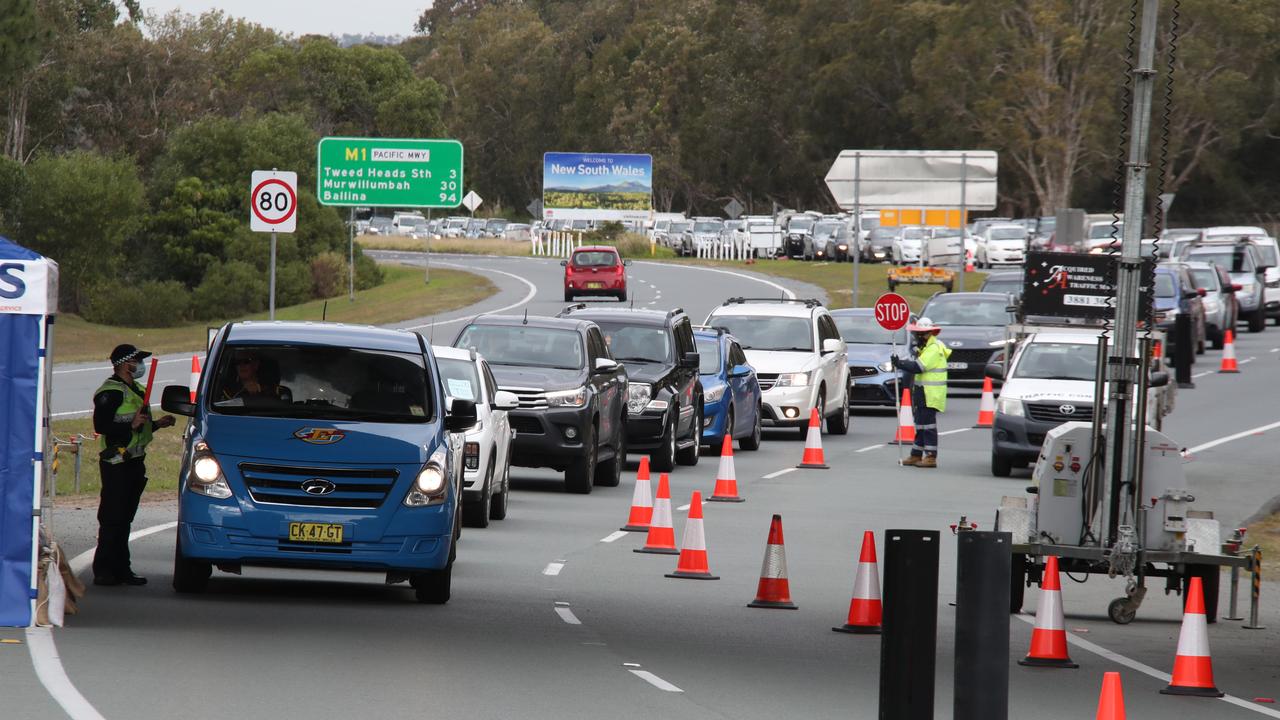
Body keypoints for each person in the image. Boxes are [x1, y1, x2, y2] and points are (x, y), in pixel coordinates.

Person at [92, 345, 176, 585]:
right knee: (112, 518)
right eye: (137, 360)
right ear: (124, 363)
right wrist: (130, 425)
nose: (141, 364)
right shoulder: (110, 392)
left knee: (126, 518)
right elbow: (102, 426)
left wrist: (157, 423)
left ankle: (122, 568)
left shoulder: (136, 390)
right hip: (116, 463)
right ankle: (104, 570)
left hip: (135, 462)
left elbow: (140, 426)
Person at [891, 317, 951, 468]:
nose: (918, 337)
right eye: (917, 334)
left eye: (921, 334)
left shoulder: (934, 349)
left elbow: (919, 367)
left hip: (930, 394)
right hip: (922, 392)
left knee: (928, 425)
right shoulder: (926, 348)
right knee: (920, 425)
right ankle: (916, 454)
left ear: (930, 333)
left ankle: (931, 457)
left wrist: (900, 363)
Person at [220, 351, 290, 402]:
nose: (241, 365)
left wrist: (261, 390)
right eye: (238, 362)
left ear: (256, 364)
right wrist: (242, 390)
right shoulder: (225, 391)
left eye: (246, 361)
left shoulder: (277, 391)